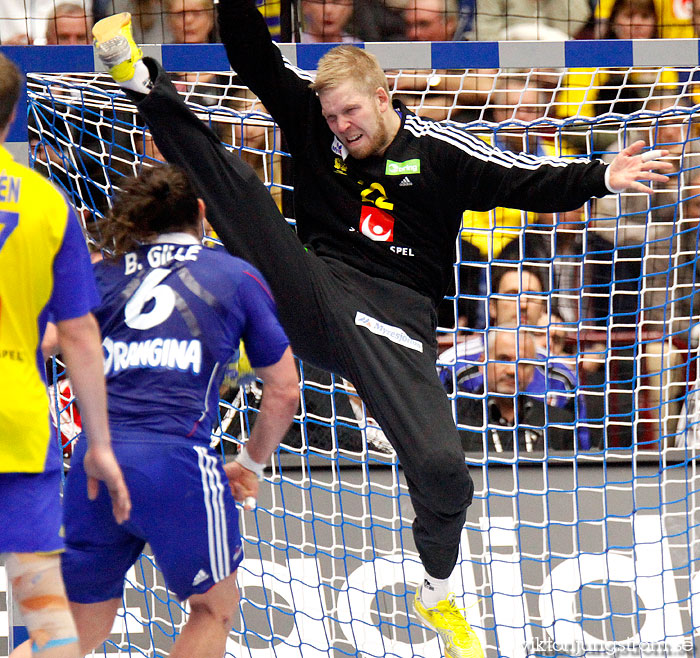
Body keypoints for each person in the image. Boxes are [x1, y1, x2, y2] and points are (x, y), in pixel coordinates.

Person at [90, 8, 671, 657]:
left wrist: (600, 176)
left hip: (396, 319)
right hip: (315, 290)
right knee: (246, 196)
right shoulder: (313, 123)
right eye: (332, 118)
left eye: (350, 115)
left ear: (382, 96)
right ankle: (144, 82)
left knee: (445, 473)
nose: (341, 128)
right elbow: (253, 55)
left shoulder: (439, 151)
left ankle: (436, 590)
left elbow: (522, 179)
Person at [55, 164, 298, 658]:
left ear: (139, 222)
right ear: (202, 214)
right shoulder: (234, 274)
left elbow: (48, 342)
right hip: (176, 463)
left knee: (77, 631)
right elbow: (284, 391)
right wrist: (249, 464)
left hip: (93, 463)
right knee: (214, 608)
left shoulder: (101, 274)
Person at [0, 52, 130, 658]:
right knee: (50, 628)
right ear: (13, 117)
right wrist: (99, 443)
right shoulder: (49, 204)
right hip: (20, 428)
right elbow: (80, 335)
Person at [456, 326, 576, 452]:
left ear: (533, 372)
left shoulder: (558, 423)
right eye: (503, 359)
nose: (512, 370)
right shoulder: (456, 420)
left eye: (523, 363)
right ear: (482, 364)